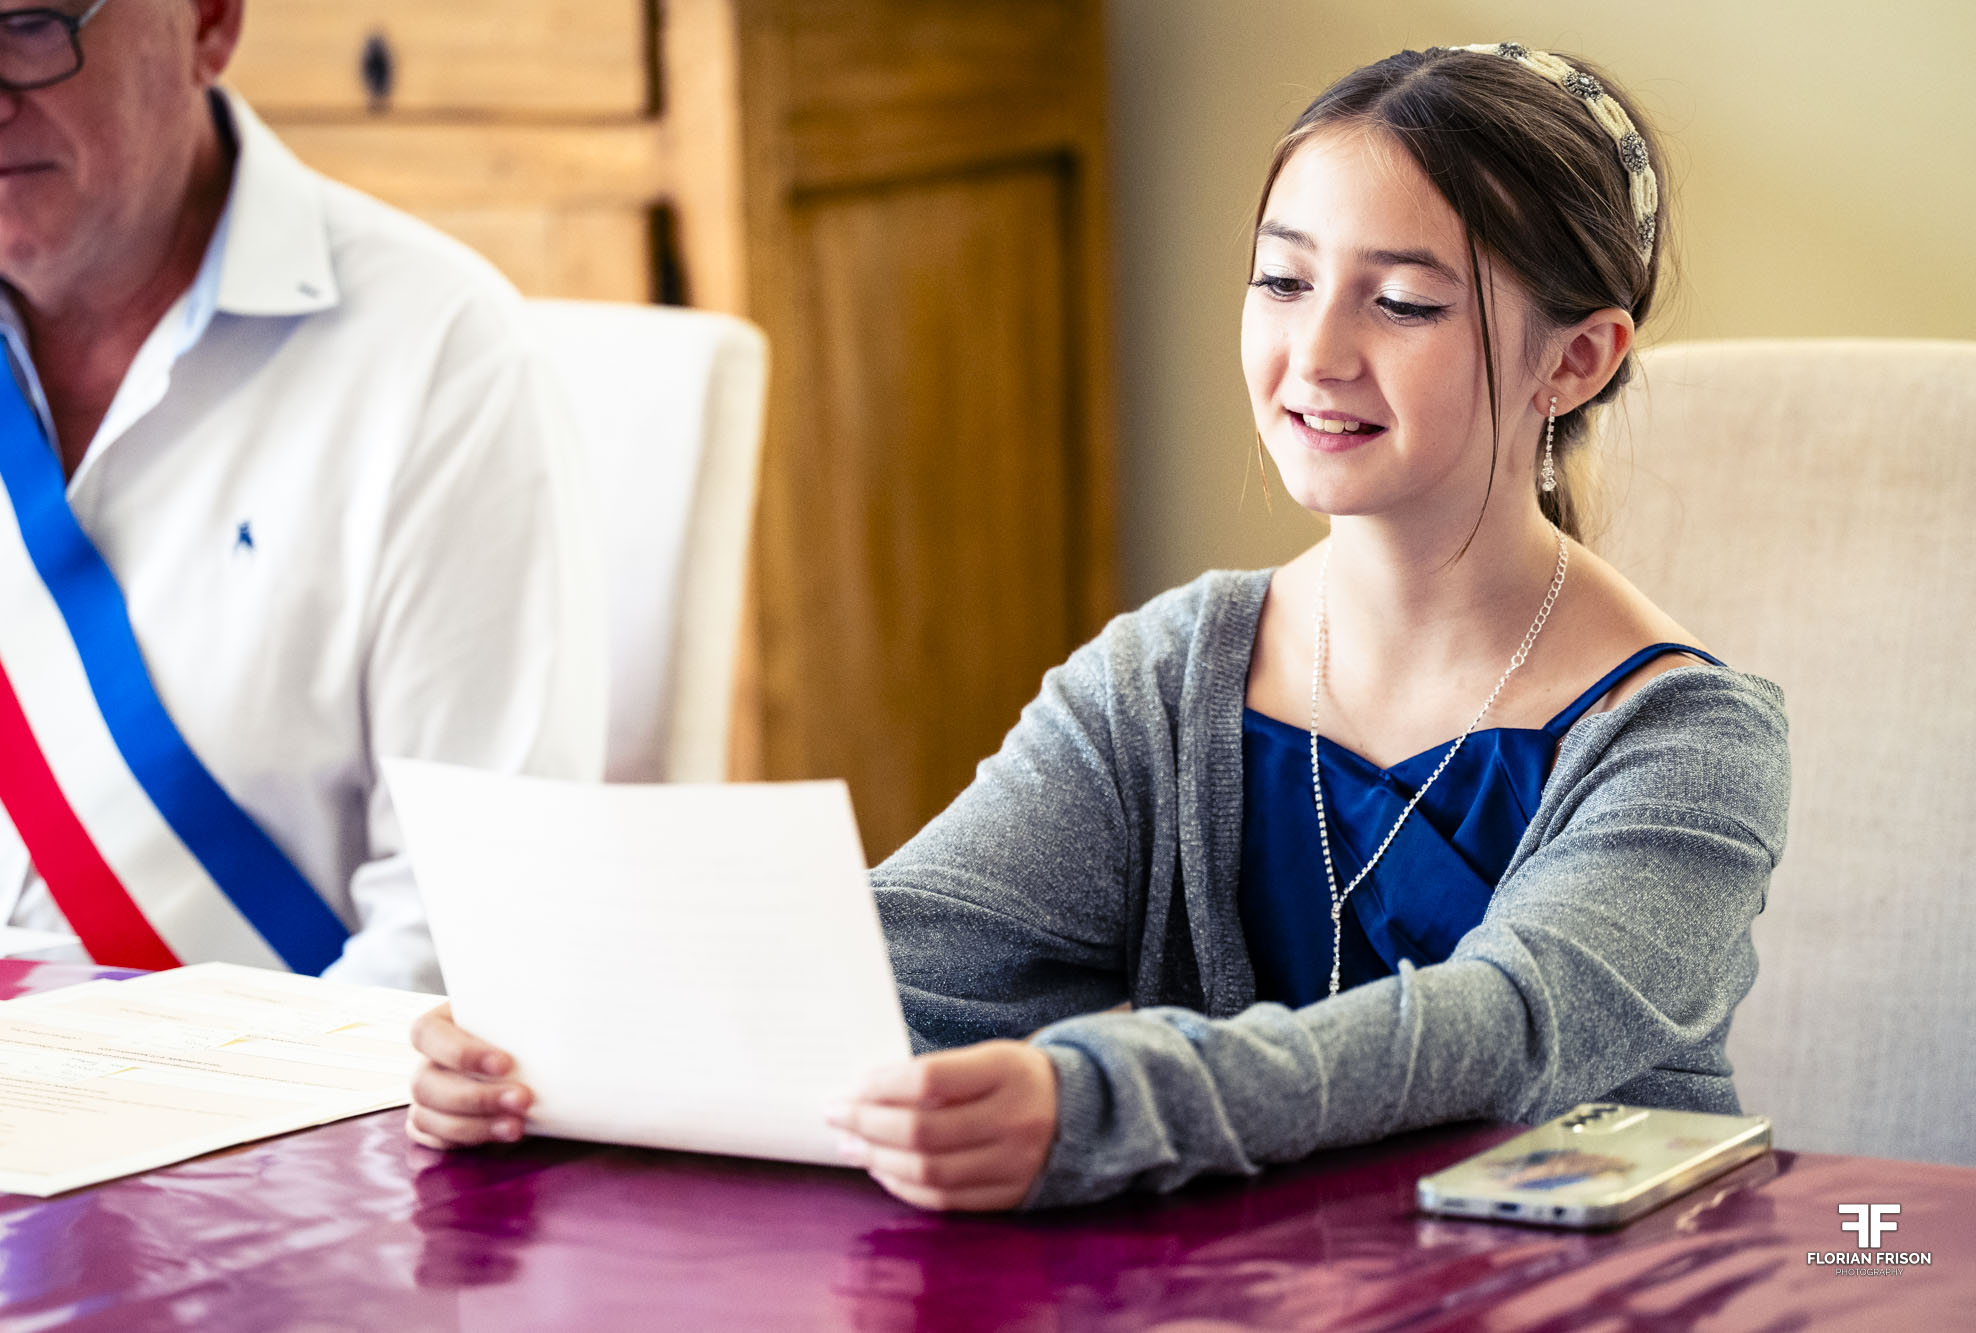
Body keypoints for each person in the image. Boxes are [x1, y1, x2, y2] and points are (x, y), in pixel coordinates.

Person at [408, 44, 1789, 1210]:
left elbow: (1504, 1037)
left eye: (1405, 301)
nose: (1315, 356)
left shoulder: (1689, 741)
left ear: (1579, 356)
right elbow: (898, 960)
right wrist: (560, 1034)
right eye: (1284, 279)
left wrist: (1098, 1097)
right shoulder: (1172, 675)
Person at [0, 0, 604, 991]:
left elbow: (471, 934)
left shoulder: (438, 360)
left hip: (271, 1121)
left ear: (208, 23)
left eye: (29, 21)